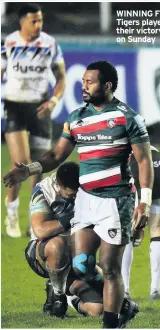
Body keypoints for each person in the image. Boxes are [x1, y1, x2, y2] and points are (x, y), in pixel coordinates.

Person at [4, 60, 153, 329]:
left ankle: (112, 322)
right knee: (82, 263)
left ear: (107, 86)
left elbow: (144, 162)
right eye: (82, 81)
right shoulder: (76, 118)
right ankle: (118, 307)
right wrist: (30, 169)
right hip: (86, 200)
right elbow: (57, 155)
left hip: (116, 201)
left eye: (89, 82)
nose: (83, 86)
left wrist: (145, 202)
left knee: (109, 268)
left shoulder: (127, 117)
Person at [25, 162, 138, 326]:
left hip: (76, 259)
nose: (75, 198)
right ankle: (58, 297)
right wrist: (74, 217)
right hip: (42, 255)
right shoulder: (43, 190)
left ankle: (69, 294)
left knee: (98, 309)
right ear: (58, 185)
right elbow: (40, 230)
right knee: (57, 245)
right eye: (70, 195)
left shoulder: (89, 188)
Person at [1, 3, 66, 237]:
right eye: (34, 21)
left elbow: (61, 78)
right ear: (22, 21)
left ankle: (35, 219)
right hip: (15, 107)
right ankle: (11, 211)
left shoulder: (49, 44)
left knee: (38, 166)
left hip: (40, 108)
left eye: (41, 20)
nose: (39, 25)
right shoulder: (8, 43)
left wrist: (54, 101)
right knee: (21, 163)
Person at [121, 145, 160, 300]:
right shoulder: (138, 128)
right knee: (158, 229)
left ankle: (124, 290)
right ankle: (155, 290)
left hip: (137, 166)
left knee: (126, 231)